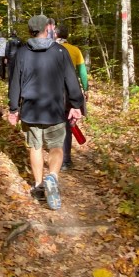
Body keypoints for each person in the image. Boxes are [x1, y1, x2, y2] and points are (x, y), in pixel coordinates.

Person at [8, 15, 84, 210]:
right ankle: (53, 177)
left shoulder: (22, 53)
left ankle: (39, 184)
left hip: (30, 110)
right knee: (56, 146)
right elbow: (71, 80)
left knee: (35, 147)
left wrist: (13, 109)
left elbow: (14, 82)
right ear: (47, 29)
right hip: (55, 109)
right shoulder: (60, 51)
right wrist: (76, 105)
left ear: (29, 30)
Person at [56, 25, 88, 171]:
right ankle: (66, 160)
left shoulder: (50, 49)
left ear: (55, 34)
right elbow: (82, 71)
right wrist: (85, 88)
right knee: (68, 125)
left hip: (53, 90)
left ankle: (56, 156)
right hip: (70, 90)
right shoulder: (75, 50)